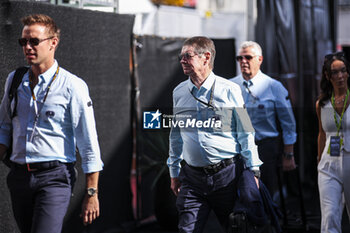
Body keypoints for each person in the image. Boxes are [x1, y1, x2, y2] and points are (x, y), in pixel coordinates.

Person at [0, 14, 103, 233]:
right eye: (23, 42)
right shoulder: (15, 80)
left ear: (53, 43)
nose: (27, 47)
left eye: (34, 41)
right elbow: (4, 126)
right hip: (19, 176)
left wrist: (91, 193)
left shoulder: (73, 86)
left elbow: (88, 143)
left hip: (54, 178)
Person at [167, 36, 263, 232]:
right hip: (192, 178)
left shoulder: (230, 90)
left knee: (237, 227)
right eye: (181, 56)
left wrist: (253, 170)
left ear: (206, 57)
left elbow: (245, 131)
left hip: (227, 176)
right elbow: (176, 134)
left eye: (188, 55)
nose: (182, 60)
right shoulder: (179, 92)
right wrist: (174, 171)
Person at [230, 41, 297, 196]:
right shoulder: (230, 86)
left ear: (259, 59)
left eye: (248, 57)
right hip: (237, 149)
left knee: (264, 194)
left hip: (265, 149)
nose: (243, 61)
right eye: (239, 58)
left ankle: (267, 219)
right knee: (240, 195)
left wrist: (289, 154)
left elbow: (289, 123)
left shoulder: (274, 86)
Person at [316, 51, 350, 233]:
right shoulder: (322, 103)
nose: (340, 76)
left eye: (343, 71)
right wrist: (319, 158)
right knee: (329, 217)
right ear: (328, 77)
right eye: (335, 73)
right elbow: (322, 133)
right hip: (329, 165)